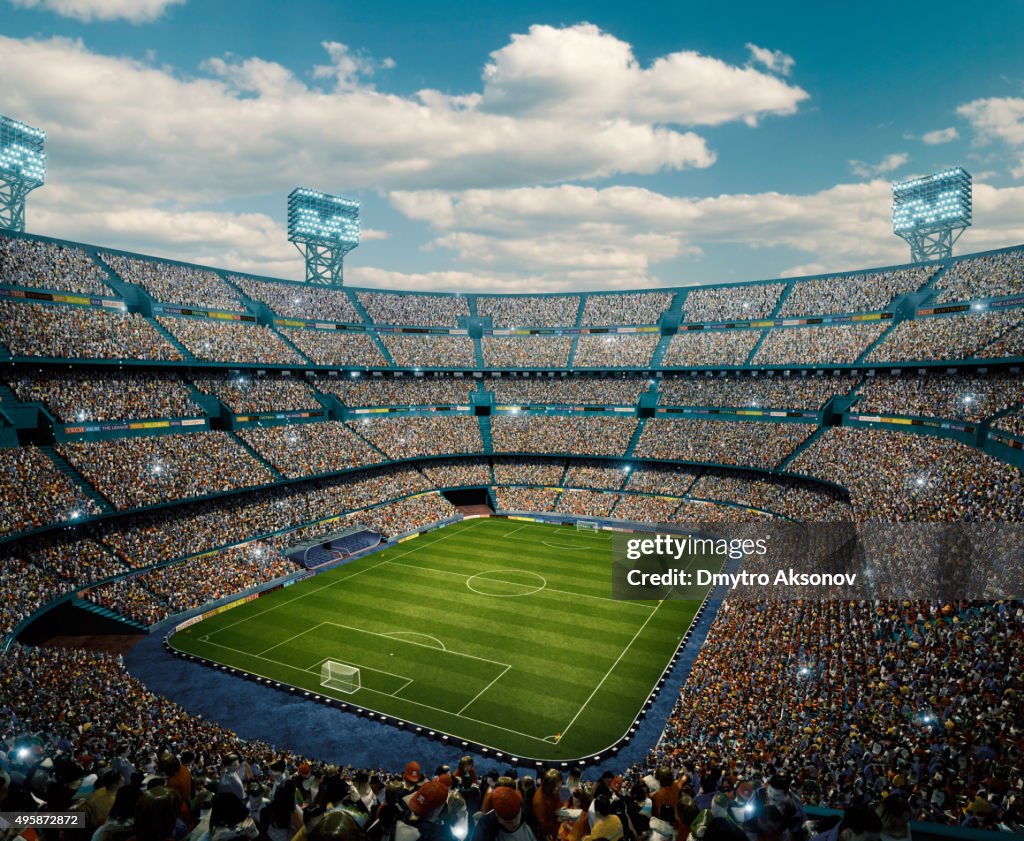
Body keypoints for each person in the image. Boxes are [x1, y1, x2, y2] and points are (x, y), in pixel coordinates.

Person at [470, 787, 541, 841]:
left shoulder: (529, 815)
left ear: (520, 808)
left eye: (517, 816)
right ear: (497, 816)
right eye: (509, 822)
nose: (515, 823)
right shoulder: (485, 826)